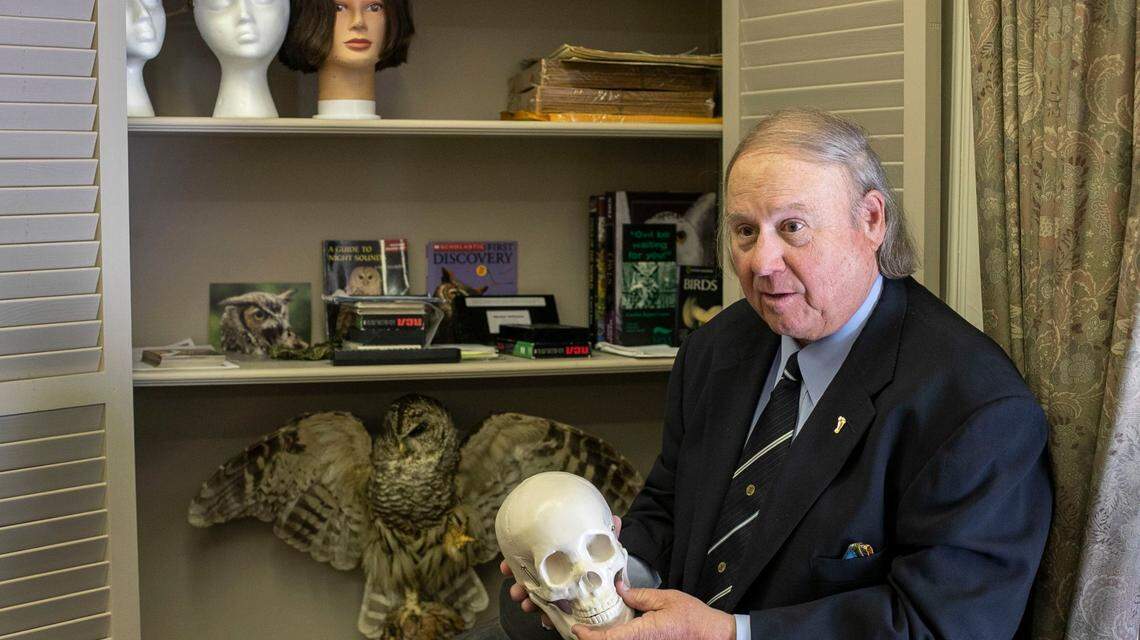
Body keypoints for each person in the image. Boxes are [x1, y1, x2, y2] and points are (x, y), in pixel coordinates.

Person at [502, 107, 1052, 640]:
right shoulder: (716, 349)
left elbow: (944, 625)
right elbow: (669, 511)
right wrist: (612, 580)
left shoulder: (974, 406)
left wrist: (731, 635)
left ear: (872, 220)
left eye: (792, 228)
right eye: (745, 231)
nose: (761, 263)